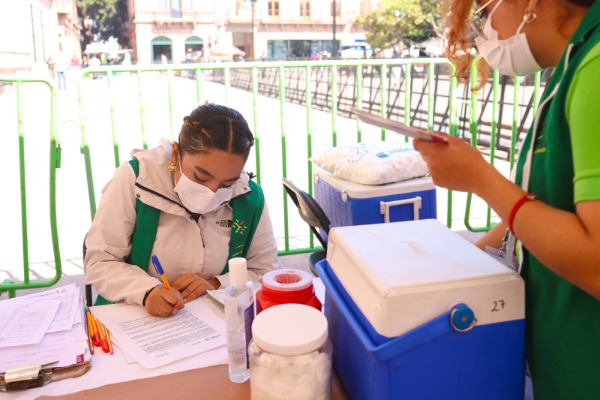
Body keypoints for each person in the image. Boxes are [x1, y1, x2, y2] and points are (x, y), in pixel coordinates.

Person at [412, 0, 600, 398]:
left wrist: (480, 179)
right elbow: (549, 202)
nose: (485, 32)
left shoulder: (595, 68)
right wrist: (473, 256)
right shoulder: (571, 67)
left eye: (482, 13)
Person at [84, 104, 279, 317]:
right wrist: (147, 291)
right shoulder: (136, 179)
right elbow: (100, 261)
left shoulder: (248, 197)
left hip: (211, 323)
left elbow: (264, 271)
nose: (211, 193)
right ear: (176, 153)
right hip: (131, 317)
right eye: (200, 177)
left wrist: (217, 284)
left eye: (227, 184)